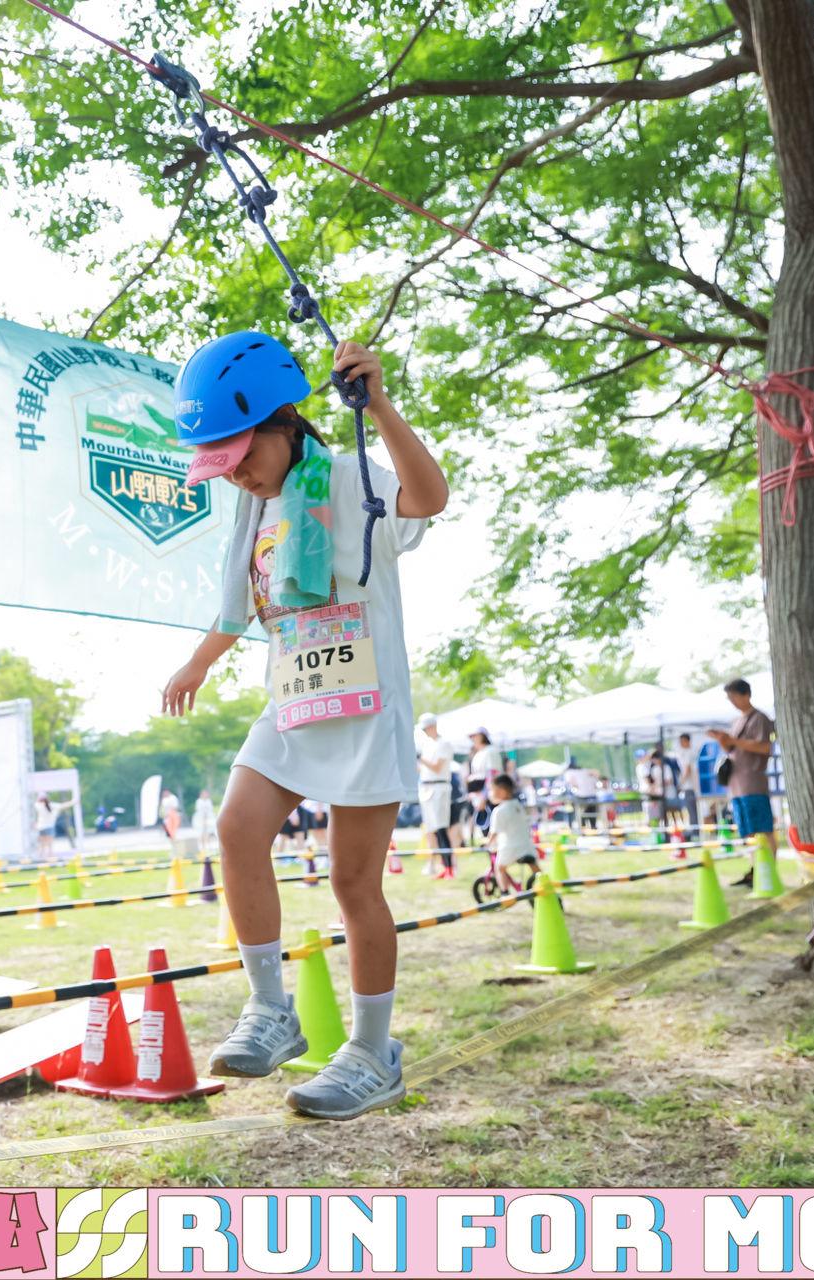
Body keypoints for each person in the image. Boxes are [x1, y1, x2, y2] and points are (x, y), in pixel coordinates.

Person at [160, 332, 446, 1121]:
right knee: (236, 828)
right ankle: (269, 1009)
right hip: (292, 703)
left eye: (242, 454)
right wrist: (198, 663)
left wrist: (379, 405)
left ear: (285, 425)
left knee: (355, 884)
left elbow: (428, 499)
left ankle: (372, 1052)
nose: (239, 475)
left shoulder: (351, 477)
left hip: (363, 711)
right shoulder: (252, 507)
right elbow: (233, 605)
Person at [708, 679, 777, 872]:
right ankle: (755, 868)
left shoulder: (759, 718)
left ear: (746, 694)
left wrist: (733, 741)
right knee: (747, 829)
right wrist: (723, 740)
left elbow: (764, 746)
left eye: (734, 696)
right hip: (736, 783)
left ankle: (768, 869)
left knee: (763, 827)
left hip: (753, 781)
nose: (732, 701)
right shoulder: (737, 721)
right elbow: (730, 748)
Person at [414, 714, 457, 877]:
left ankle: (449, 867)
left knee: (441, 829)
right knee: (431, 829)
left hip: (439, 788)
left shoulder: (443, 743)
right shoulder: (427, 744)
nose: (425, 732)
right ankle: (441, 865)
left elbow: (437, 767)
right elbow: (424, 769)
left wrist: (420, 758)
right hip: (425, 787)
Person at [484, 774, 533, 894]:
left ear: (501, 791)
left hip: (510, 847)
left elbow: (494, 833)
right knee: (535, 867)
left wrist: (487, 844)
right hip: (527, 845)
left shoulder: (498, 811)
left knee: (499, 868)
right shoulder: (518, 805)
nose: (490, 793)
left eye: (492, 790)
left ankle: (505, 893)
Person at [465, 729, 504, 835]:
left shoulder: (490, 751)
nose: (473, 738)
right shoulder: (478, 753)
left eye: (475, 735)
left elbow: (492, 775)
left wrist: (484, 796)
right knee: (485, 828)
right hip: (479, 795)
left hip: (490, 795)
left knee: (494, 828)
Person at [671, 733, 702, 839]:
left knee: (692, 811)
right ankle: (694, 832)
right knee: (692, 811)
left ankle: (695, 833)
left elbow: (687, 770)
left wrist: (680, 783)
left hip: (690, 787)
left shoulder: (689, 753)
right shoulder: (691, 753)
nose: (680, 744)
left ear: (687, 741)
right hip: (692, 787)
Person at [562, 757, 601, 833]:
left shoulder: (569, 773)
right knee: (591, 813)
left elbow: (573, 783)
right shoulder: (586, 771)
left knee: (582, 814)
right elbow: (597, 774)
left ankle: (584, 829)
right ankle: (592, 827)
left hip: (581, 796)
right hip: (591, 795)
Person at [194, 788, 216, 853]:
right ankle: (202, 847)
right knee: (201, 833)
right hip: (200, 818)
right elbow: (198, 810)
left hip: (208, 818)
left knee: (208, 833)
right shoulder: (199, 801)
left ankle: (209, 846)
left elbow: (210, 809)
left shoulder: (209, 801)